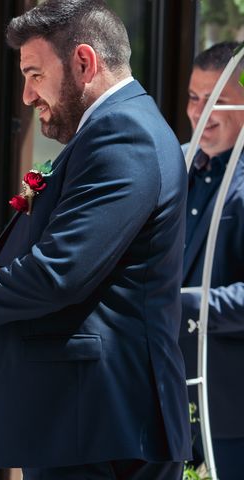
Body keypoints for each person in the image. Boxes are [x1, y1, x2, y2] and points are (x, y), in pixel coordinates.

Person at [0, 0, 192, 478]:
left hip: (102, 425)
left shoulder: (124, 135)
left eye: (34, 74)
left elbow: (57, 271)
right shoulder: (112, 132)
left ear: (84, 63)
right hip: (87, 424)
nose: (27, 96)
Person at [178, 41, 244, 480]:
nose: (201, 112)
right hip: (164, 398)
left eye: (218, 100)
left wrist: (185, 303)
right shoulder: (171, 163)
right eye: (194, 97)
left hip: (232, 408)